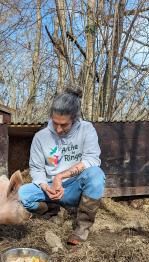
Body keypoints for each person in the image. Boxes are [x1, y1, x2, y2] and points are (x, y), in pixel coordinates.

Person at [18, 87, 105, 245]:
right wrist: (45, 186)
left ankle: (81, 230)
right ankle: (52, 210)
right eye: (55, 123)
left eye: (64, 125)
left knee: (96, 175)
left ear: (75, 118)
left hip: (74, 187)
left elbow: (92, 159)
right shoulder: (41, 137)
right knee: (22, 194)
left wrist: (60, 176)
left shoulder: (86, 129)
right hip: (50, 188)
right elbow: (36, 169)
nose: (58, 129)